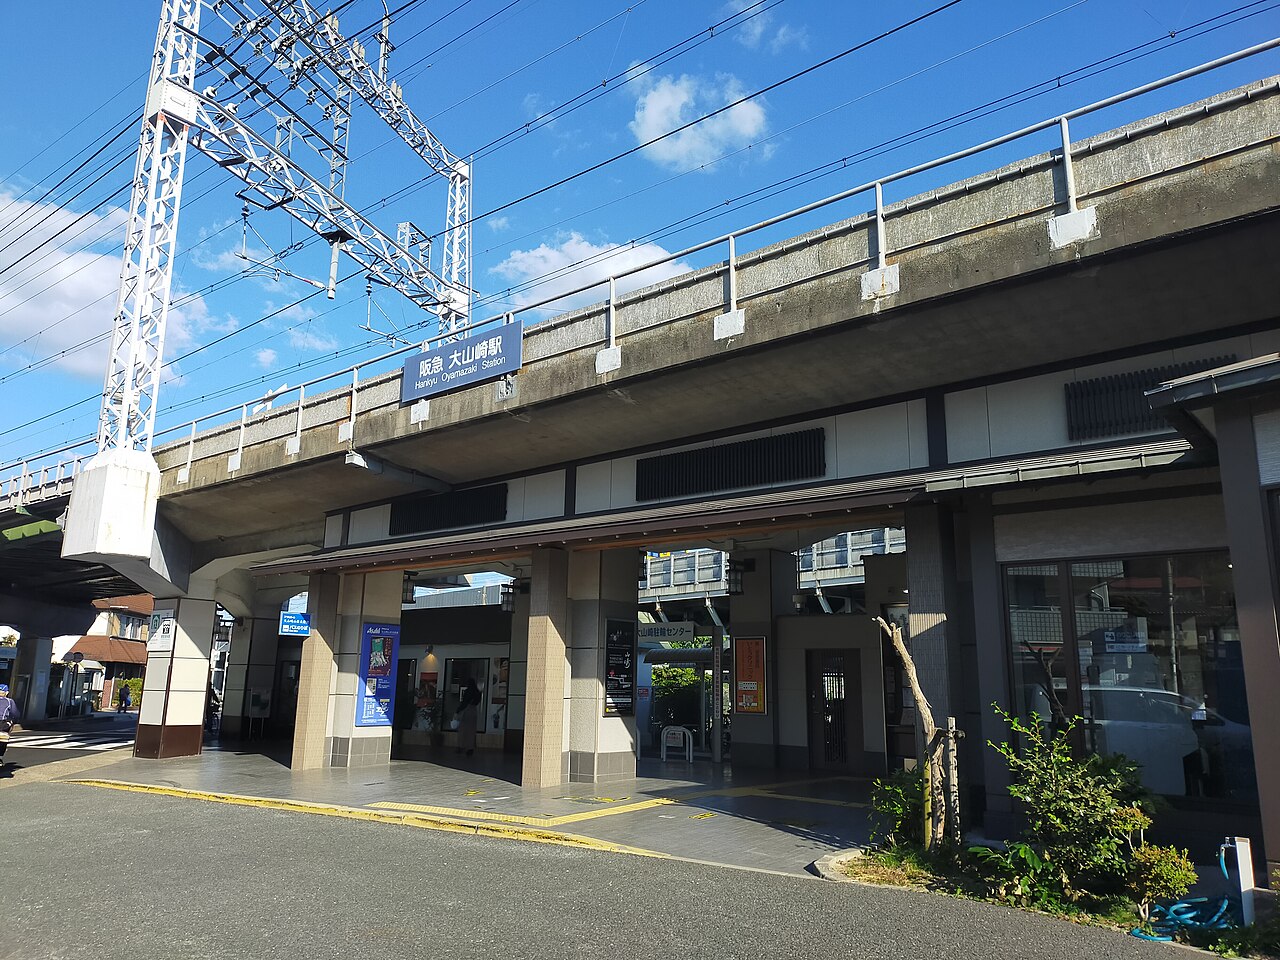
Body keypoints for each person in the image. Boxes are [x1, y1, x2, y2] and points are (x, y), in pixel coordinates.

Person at [455, 677, 481, 757]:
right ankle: (470, 748)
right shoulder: (478, 692)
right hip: (474, 711)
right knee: (471, 731)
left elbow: (464, 702)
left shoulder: (467, 691)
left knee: (462, 730)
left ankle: (461, 746)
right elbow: (477, 702)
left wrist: (458, 711)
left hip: (466, 711)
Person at [0, 683, 20, 763]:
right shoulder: (9, 701)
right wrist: (14, 721)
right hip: (2, 723)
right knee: (3, 739)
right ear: (6, 692)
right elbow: (15, 713)